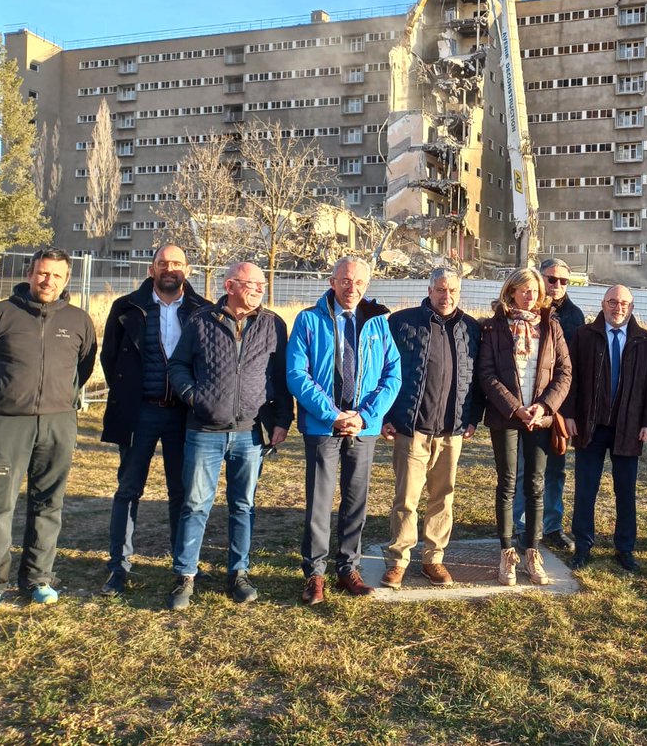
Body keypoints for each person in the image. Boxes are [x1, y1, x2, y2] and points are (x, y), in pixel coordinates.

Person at [0, 247, 97, 615]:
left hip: (58, 423)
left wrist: (59, 399)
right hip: (7, 423)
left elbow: (82, 368)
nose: (47, 280)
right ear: (30, 273)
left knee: (49, 503)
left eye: (56, 275)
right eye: (41, 273)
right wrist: (2, 398)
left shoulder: (79, 320)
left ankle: (39, 578)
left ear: (66, 279)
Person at [165, 261, 291, 610]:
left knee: (243, 505)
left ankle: (239, 572)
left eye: (262, 285)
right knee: (195, 504)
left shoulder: (272, 325)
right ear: (230, 285)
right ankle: (186, 574)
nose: (259, 290)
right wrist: (194, 397)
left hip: (251, 431)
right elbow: (177, 365)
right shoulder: (201, 321)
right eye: (252, 284)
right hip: (203, 430)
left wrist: (282, 419)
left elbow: (281, 377)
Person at [288, 256, 401, 606]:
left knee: (356, 501)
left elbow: (392, 375)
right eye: (346, 281)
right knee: (319, 503)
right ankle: (315, 574)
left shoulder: (379, 324)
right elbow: (297, 374)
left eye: (360, 283)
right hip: (323, 426)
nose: (353, 289)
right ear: (333, 281)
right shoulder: (308, 319)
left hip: (362, 428)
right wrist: (333, 414)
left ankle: (348, 567)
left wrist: (365, 417)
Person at [99, 244, 209, 596]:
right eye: (162, 263)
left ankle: (184, 565)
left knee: (182, 491)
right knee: (129, 490)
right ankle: (119, 566)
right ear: (151, 269)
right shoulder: (126, 308)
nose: (169, 269)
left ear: (187, 270)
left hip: (183, 414)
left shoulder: (201, 310)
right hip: (139, 412)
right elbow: (109, 358)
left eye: (176, 263)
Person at [379, 268, 482, 589]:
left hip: (452, 430)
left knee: (443, 497)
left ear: (459, 292)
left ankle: (433, 559)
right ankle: (398, 560)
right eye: (440, 289)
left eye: (452, 290)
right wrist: (385, 415)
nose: (446, 295)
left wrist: (472, 417)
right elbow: (382, 370)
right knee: (406, 499)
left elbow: (478, 378)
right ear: (429, 289)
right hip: (411, 428)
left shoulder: (471, 328)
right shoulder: (402, 322)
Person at [477, 268, 571, 586]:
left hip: (540, 418)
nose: (530, 295)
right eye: (523, 290)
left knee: (535, 484)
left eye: (534, 290)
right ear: (511, 292)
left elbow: (564, 372)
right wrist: (514, 407)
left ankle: (532, 549)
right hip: (506, 417)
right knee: (506, 484)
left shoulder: (551, 325)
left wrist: (543, 406)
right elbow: (486, 373)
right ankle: (507, 553)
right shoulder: (493, 327)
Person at [561, 285, 647, 572]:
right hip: (590, 425)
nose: (618, 307)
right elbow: (572, 378)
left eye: (624, 303)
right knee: (585, 488)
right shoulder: (584, 336)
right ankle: (583, 546)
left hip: (628, 426)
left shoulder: (645, 340)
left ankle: (625, 548)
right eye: (613, 302)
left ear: (632, 306)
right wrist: (568, 414)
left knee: (626, 490)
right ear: (603, 304)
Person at [512, 257, 585, 552]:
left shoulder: (574, 316)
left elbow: (572, 370)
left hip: (555, 406)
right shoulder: (524, 309)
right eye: (551, 279)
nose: (556, 286)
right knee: (521, 468)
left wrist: (565, 412)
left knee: (554, 469)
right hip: (522, 403)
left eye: (563, 281)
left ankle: (552, 526)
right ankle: (519, 526)